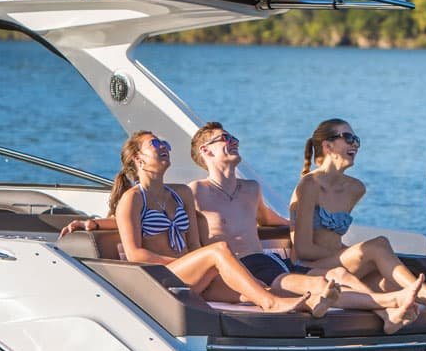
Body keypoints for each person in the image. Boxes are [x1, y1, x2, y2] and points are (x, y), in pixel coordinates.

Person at [61, 131, 338, 316]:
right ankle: (270, 303)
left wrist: (199, 264)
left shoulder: (180, 193)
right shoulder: (133, 199)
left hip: (192, 275)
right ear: (138, 159)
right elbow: (135, 254)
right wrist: (93, 225)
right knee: (218, 251)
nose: (164, 147)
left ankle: (310, 303)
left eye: (165, 144)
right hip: (161, 277)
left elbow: (194, 244)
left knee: (251, 288)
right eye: (155, 145)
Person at [187, 122, 424, 333]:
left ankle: (387, 314)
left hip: (268, 261)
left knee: (339, 274)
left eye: (234, 138)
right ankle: (391, 300)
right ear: (206, 150)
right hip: (240, 268)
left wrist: (303, 224)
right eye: (225, 139)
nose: (234, 142)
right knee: (318, 285)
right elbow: (193, 246)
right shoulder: (196, 192)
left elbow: (270, 219)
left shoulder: (251, 188)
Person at [290, 118, 426, 327]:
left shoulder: (354, 189)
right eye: (348, 138)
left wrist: (358, 256)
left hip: (337, 262)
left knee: (390, 283)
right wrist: (359, 255)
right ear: (328, 146)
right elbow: (303, 250)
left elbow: (332, 239)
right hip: (309, 268)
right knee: (378, 245)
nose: (355, 145)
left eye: (357, 140)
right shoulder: (310, 185)